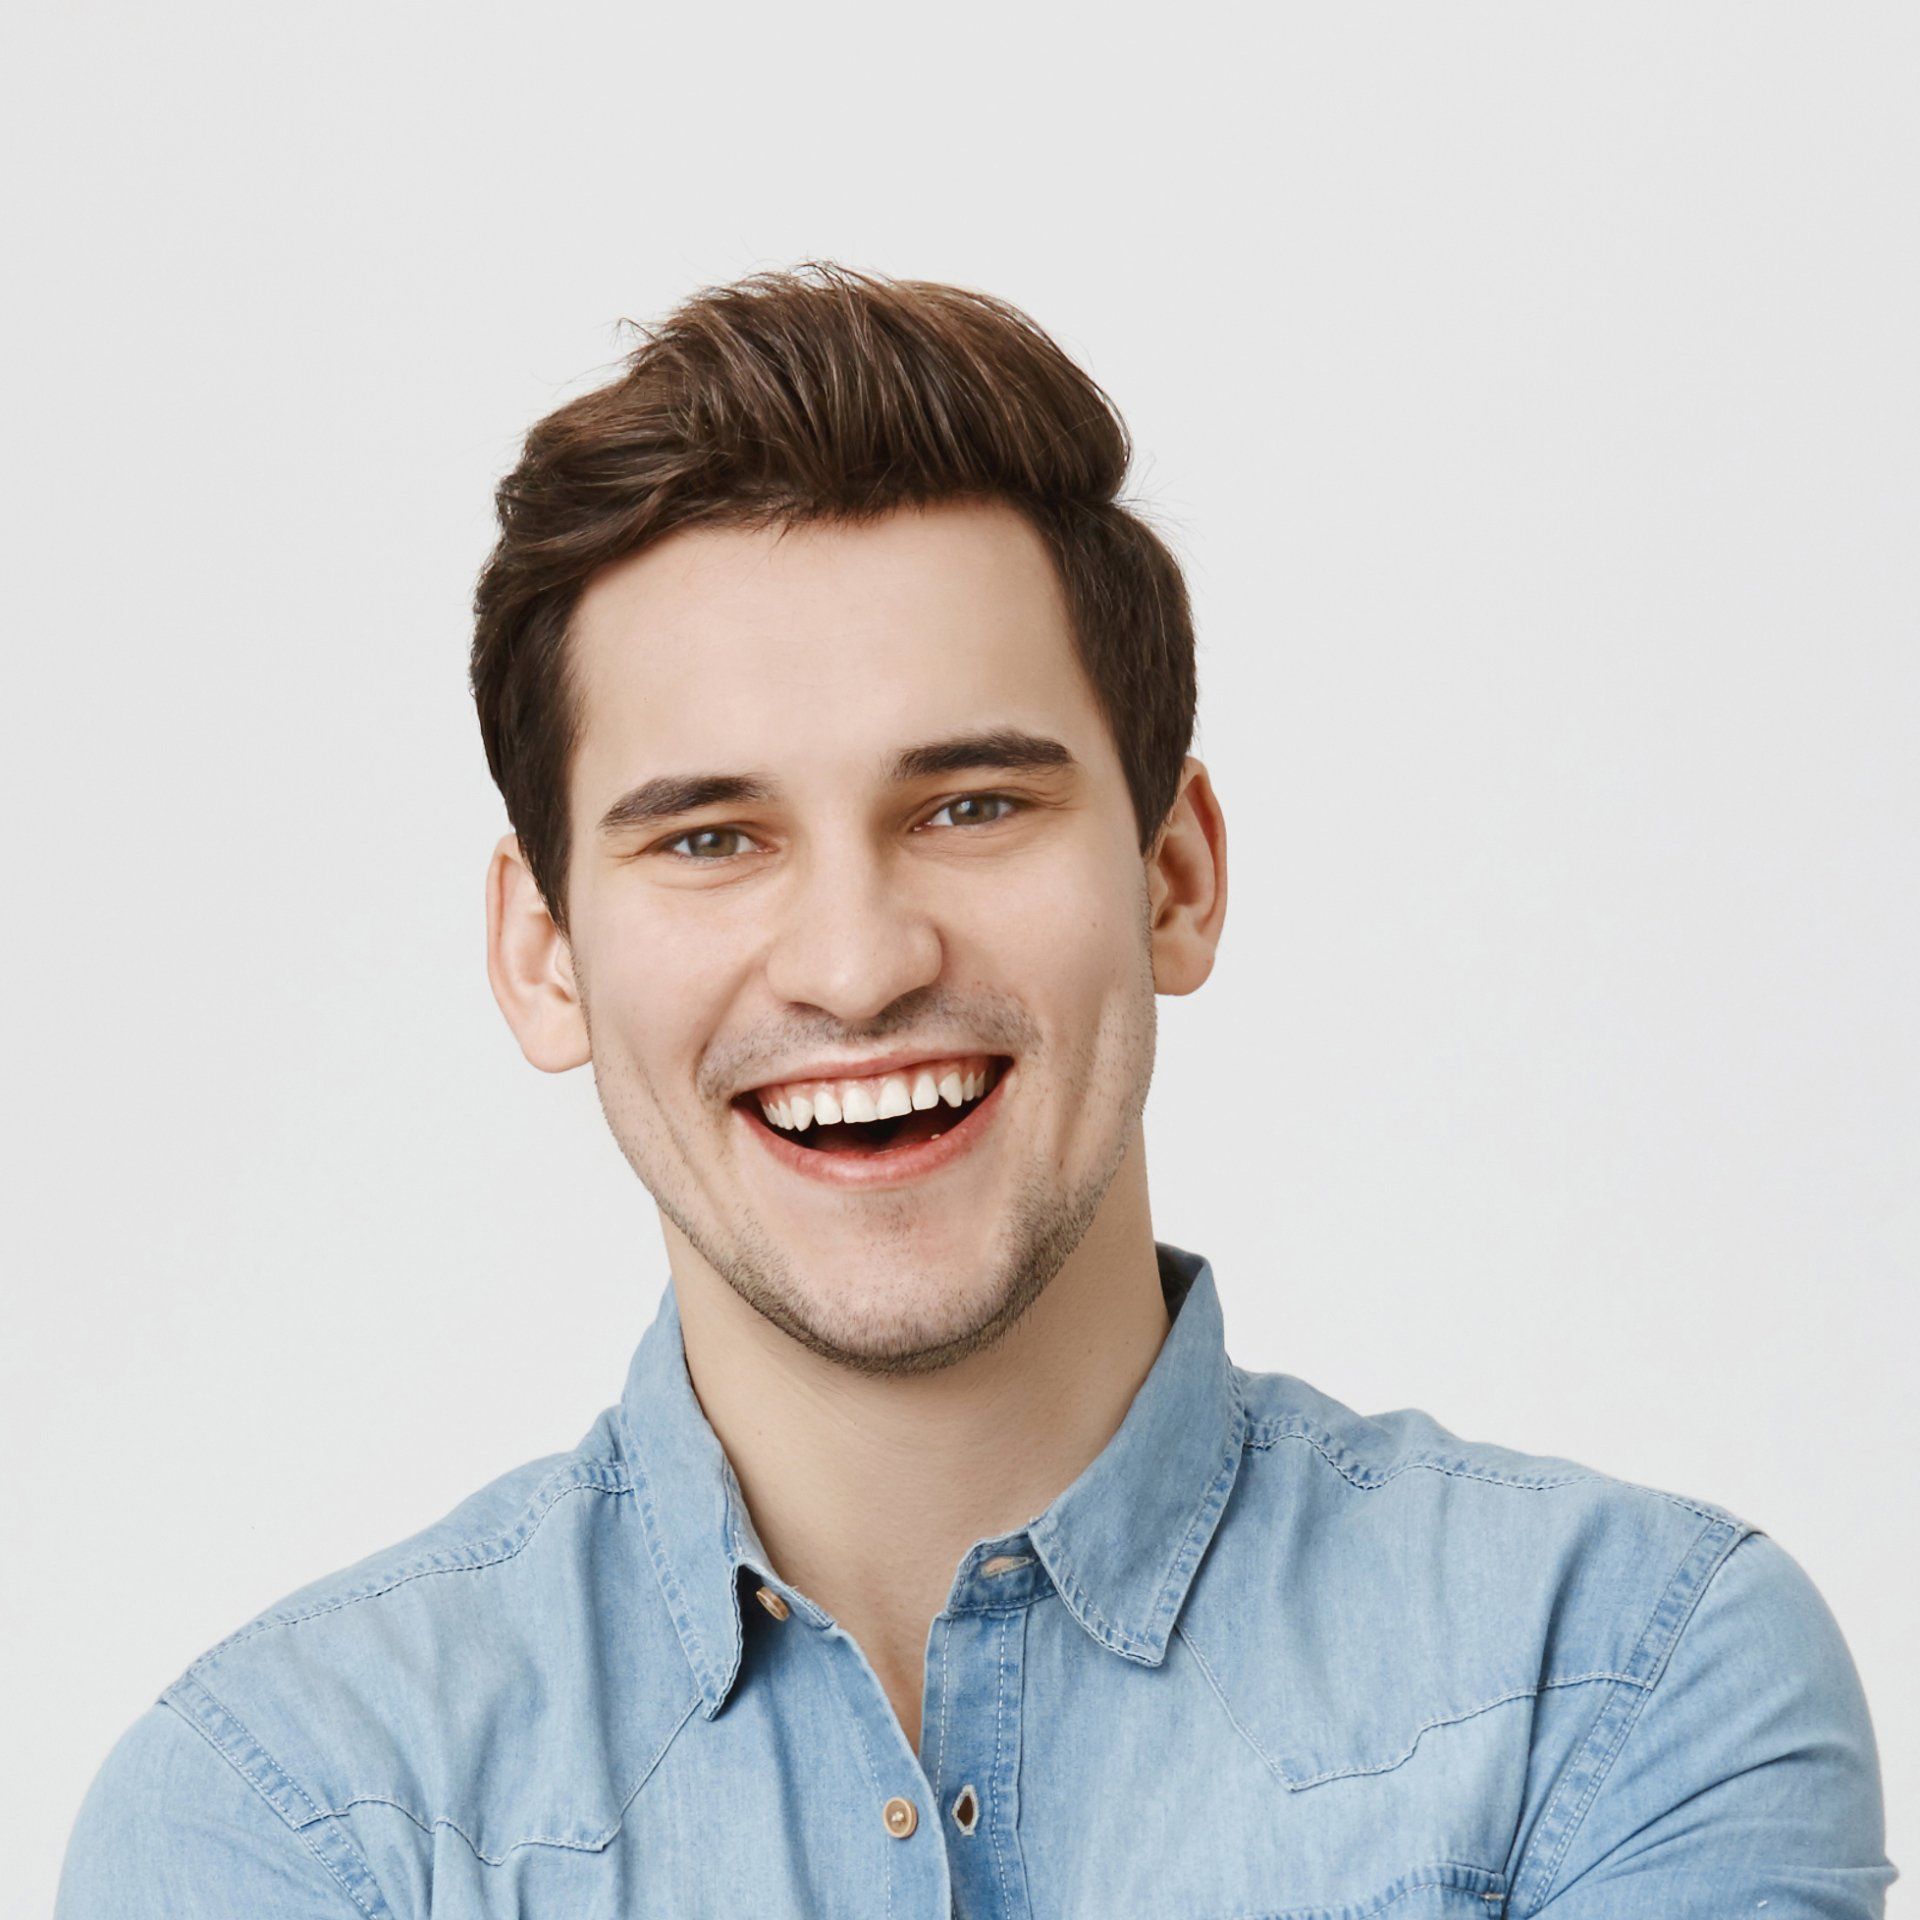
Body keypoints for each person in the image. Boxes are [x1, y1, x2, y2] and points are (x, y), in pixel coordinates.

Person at [56, 263, 1895, 1919]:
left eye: (972, 807)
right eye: (712, 837)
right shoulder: (286, 1820)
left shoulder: (1627, 1678)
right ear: (546, 956)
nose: (856, 965)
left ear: (1174, 877)